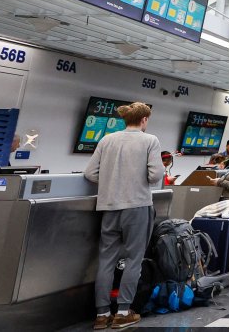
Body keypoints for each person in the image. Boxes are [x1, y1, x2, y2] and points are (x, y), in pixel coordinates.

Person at [84, 102, 163, 330]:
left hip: (109, 207)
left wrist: (112, 182)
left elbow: (90, 173)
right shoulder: (150, 140)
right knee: (133, 260)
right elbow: (155, 175)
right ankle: (122, 312)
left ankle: (101, 315)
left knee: (106, 259)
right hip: (137, 207)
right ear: (144, 120)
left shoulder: (107, 140)